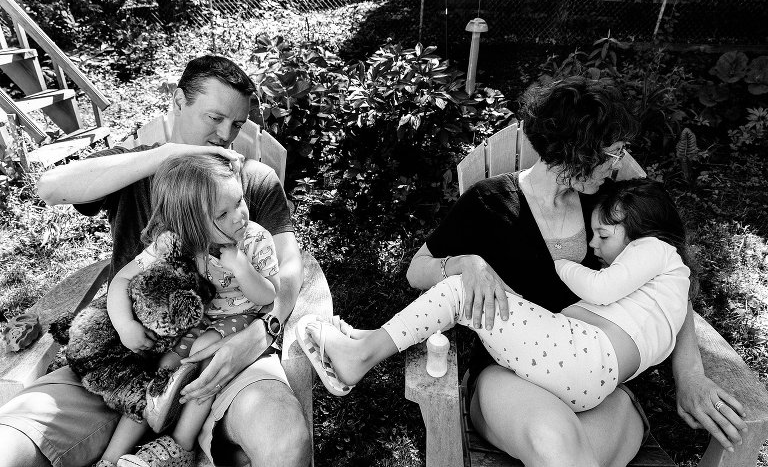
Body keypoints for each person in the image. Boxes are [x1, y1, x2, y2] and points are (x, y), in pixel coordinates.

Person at [322, 77, 746, 466]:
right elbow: (417, 271)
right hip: (507, 379)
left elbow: (669, 277)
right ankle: (362, 353)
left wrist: (690, 374)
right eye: (612, 152)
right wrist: (466, 263)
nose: (617, 164)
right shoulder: (489, 202)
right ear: (577, 152)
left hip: (599, 380)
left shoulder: (609, 205)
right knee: (558, 450)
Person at [0, 55, 311, 467]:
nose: (225, 136)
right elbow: (50, 187)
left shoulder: (247, 181)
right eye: (215, 118)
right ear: (178, 102)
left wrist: (262, 331)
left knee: (286, 444)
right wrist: (169, 156)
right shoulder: (133, 168)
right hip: (124, 353)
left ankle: (174, 445)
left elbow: (288, 268)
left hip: (225, 351)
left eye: (237, 124)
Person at [303, 179, 691, 414]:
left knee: (464, 290)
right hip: (589, 380)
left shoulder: (654, 248)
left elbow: (600, 288)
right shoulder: (668, 290)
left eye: (603, 235)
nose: (593, 245)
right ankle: (371, 338)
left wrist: (560, 263)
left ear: (645, 230)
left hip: (580, 355)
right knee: (482, 295)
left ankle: (359, 356)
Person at [83, 154, 278, 467]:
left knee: (203, 355)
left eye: (239, 201)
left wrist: (241, 267)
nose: (239, 216)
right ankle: (110, 458)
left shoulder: (254, 240)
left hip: (240, 319)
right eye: (223, 214)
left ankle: (179, 446)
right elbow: (122, 280)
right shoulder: (178, 241)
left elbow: (269, 295)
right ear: (192, 223)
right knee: (162, 369)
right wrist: (125, 326)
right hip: (194, 321)